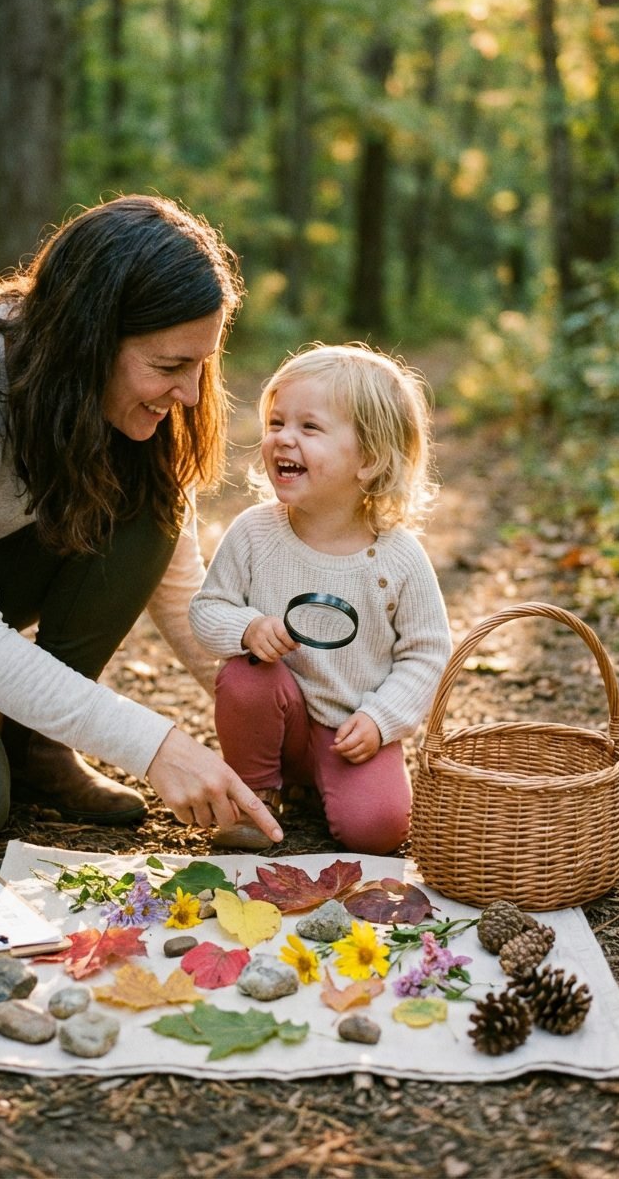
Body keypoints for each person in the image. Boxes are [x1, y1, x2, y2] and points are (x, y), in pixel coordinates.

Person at [0, 194, 283, 854]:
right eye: (169, 367)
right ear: (88, 340)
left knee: (148, 509)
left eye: (201, 364)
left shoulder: (108, 398)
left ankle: (35, 751)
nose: (192, 394)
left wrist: (276, 726)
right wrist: (159, 748)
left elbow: (177, 588)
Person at [189, 341, 452, 854]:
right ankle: (256, 792)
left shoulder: (398, 556)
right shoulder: (253, 533)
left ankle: (325, 787)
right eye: (276, 423)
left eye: (309, 428)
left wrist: (382, 720)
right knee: (244, 676)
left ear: (370, 459)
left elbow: (426, 653)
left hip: (353, 731)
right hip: (276, 723)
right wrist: (245, 627)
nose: (284, 439)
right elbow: (207, 610)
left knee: (379, 832)